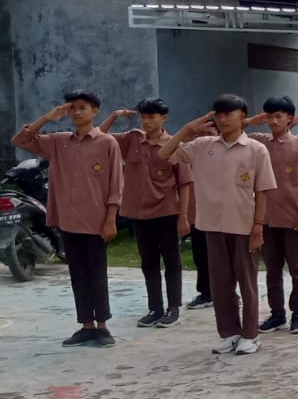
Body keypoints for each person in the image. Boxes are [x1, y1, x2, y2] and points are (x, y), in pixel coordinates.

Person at [161, 96, 276, 355]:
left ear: (243, 117)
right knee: (221, 284)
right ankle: (229, 332)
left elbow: (264, 190)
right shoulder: (201, 145)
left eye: (229, 114)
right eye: (219, 114)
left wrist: (258, 227)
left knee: (247, 284)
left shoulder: (256, 149)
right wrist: (187, 130)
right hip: (212, 225)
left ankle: (250, 334)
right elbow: (164, 153)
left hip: (244, 226)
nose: (222, 119)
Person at [11, 90, 124, 346]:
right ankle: (86, 325)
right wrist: (47, 118)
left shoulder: (107, 143)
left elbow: (116, 184)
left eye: (82, 107)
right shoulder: (59, 141)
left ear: (95, 111)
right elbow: (21, 139)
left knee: (97, 272)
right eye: (72, 107)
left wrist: (110, 219)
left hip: (96, 220)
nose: (76, 112)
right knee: (77, 274)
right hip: (68, 220)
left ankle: (103, 327)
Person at [100, 98, 190, 328]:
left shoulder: (173, 145)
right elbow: (99, 136)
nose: (147, 121)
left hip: (167, 211)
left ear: (164, 118)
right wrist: (114, 116)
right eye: (144, 117)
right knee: (148, 262)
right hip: (138, 213)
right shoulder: (132, 139)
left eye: (152, 116)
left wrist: (183, 216)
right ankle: (155, 307)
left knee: (171, 261)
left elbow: (185, 183)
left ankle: (173, 307)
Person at [248, 97, 298, 336]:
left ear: (290, 118)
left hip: (293, 217)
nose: (273, 121)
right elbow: (234, 128)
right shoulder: (259, 143)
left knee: (297, 268)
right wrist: (255, 120)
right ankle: (277, 313)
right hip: (266, 218)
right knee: (272, 268)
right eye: (269, 117)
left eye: (278, 116)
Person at [183, 118, 218, 310]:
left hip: (222, 214)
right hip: (198, 214)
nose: (205, 139)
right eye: (201, 134)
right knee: (201, 255)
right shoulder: (191, 154)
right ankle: (206, 292)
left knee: (224, 257)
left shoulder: (225, 153)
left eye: (210, 134)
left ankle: (227, 292)